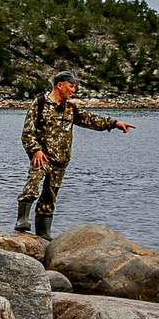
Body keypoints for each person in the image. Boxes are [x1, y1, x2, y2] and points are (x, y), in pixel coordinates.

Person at [17, 72, 132, 236]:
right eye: (71, 86)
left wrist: (115, 124)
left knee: (50, 197)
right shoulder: (40, 103)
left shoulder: (70, 108)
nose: (73, 90)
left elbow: (91, 120)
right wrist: (35, 150)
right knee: (32, 184)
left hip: (61, 161)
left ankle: (43, 234)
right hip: (42, 157)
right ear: (60, 85)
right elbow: (27, 133)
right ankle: (22, 220)